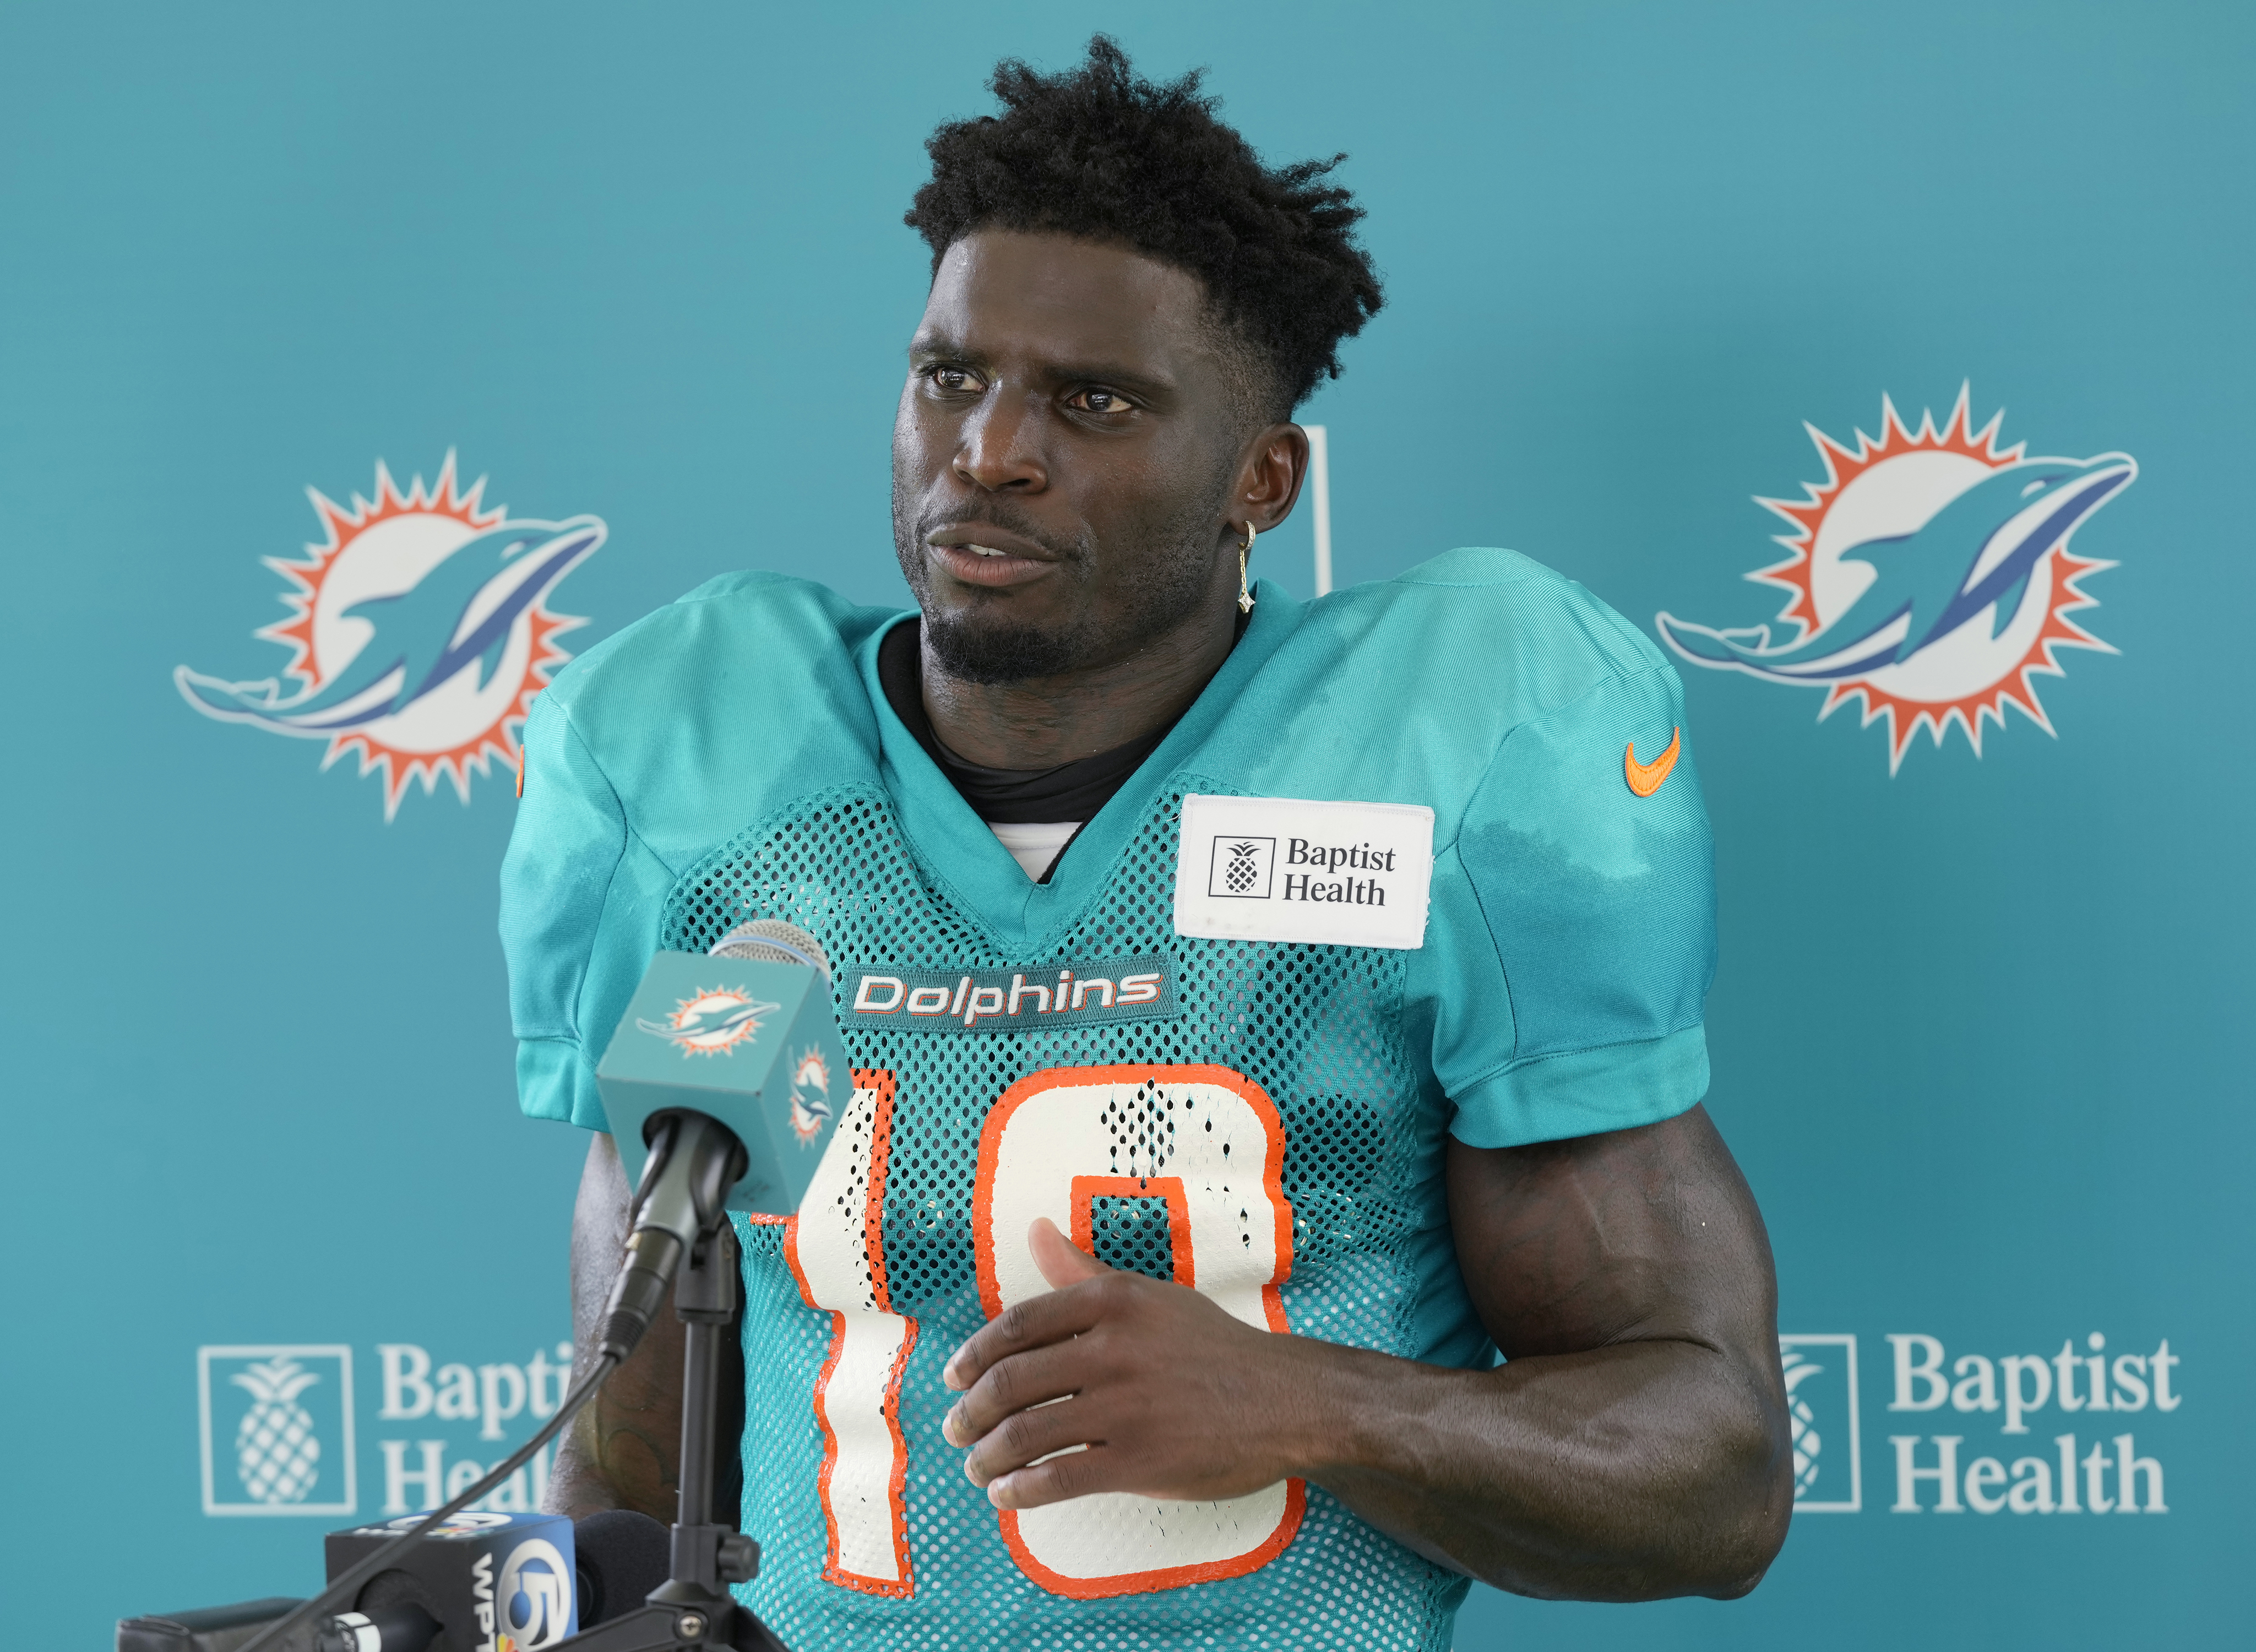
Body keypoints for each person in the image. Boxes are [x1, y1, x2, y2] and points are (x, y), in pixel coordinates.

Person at [501, 37, 1789, 1649]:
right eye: (950, 376)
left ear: (1262, 478)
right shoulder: (696, 766)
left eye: (1091, 400)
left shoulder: (1447, 747)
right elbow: (627, 1479)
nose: (992, 451)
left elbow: (1717, 1483)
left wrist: (1319, 1405)